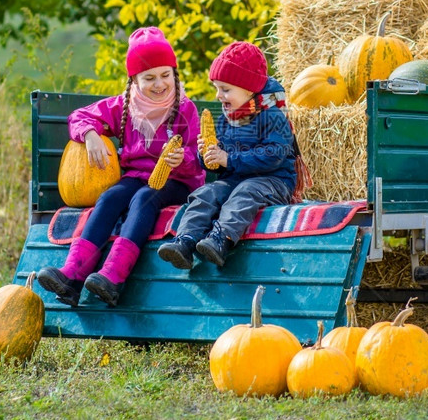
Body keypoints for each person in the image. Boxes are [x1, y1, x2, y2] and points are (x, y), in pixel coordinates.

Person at [37, 27, 205, 307]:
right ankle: (73, 276)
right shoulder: (124, 106)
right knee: (110, 197)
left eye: (165, 75)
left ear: (174, 74)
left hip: (178, 181)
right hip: (137, 176)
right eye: (149, 77)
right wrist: (90, 135)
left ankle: (114, 277)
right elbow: (79, 116)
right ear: (134, 80)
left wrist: (181, 160)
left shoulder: (184, 108)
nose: (159, 84)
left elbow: (196, 158)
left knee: (143, 198)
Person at [157, 41, 308, 269]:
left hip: (273, 181)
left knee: (245, 193)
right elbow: (221, 164)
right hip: (235, 179)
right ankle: (185, 240)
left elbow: (273, 155)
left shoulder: (273, 116)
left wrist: (228, 159)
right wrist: (208, 157)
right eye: (217, 88)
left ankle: (221, 239)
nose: (219, 95)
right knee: (207, 192)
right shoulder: (227, 119)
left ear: (249, 89)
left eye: (225, 89)